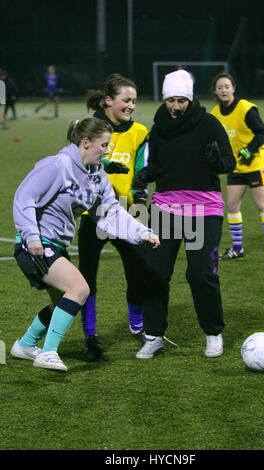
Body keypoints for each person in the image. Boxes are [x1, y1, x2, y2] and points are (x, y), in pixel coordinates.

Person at [10, 117, 159, 372]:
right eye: (104, 145)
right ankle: (48, 352)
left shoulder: (97, 175)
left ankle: (25, 344)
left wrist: (141, 232)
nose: (107, 150)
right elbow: (24, 197)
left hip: (55, 245)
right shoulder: (59, 165)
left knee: (61, 303)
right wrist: (31, 236)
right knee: (80, 288)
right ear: (86, 142)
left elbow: (110, 213)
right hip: (34, 244)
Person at [134, 69, 236, 360]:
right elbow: (159, 165)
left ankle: (213, 332)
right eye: (171, 100)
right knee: (155, 272)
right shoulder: (159, 127)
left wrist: (217, 161)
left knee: (200, 274)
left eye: (181, 100)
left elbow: (228, 163)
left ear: (190, 99)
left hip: (204, 209)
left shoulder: (208, 124)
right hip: (166, 207)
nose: (175, 106)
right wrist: (144, 176)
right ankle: (154, 336)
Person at [78, 73, 149, 361]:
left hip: (127, 212)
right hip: (93, 213)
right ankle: (90, 336)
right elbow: (80, 160)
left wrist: (140, 189)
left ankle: (137, 326)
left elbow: (143, 166)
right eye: (126, 100)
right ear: (108, 101)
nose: (131, 105)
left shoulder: (141, 131)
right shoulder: (89, 128)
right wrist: (108, 164)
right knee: (87, 278)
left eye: (134, 100)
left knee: (138, 271)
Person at [211, 72, 264, 263]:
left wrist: (248, 151)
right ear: (215, 92)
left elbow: (262, 133)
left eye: (227, 86)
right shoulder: (215, 113)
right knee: (232, 205)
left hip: (256, 163)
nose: (223, 90)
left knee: (261, 204)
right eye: (220, 87)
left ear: (233, 88)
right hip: (236, 166)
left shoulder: (246, 108)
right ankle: (237, 248)